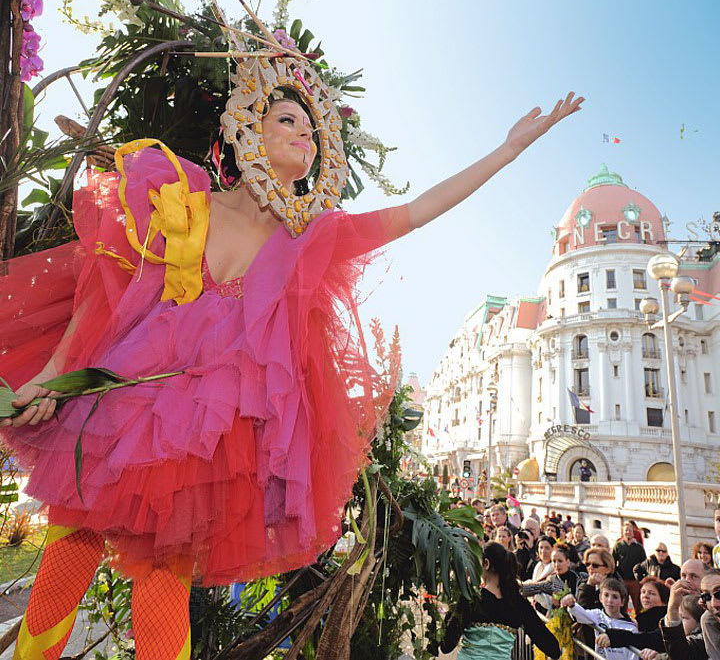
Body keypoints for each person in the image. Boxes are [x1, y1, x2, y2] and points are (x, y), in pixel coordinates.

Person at [0, 38, 586, 656]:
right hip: (122, 398)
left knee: (163, 579)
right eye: (289, 120)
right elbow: (106, 288)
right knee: (69, 551)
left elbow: (415, 212)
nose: (305, 133)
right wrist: (56, 376)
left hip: (203, 433)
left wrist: (509, 149)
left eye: (312, 128)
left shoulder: (312, 237)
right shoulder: (180, 195)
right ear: (248, 129)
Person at [439, 542, 561, 659]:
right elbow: (553, 649)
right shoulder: (518, 603)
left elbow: (446, 645)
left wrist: (458, 599)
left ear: (486, 564)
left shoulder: (471, 599)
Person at [561, 578, 638, 660]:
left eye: (615, 597)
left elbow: (633, 656)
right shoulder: (598, 615)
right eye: (606, 595)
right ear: (600, 598)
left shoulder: (630, 628)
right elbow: (580, 614)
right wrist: (571, 603)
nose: (610, 600)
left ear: (622, 602)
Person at [659, 569, 720, 659]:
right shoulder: (710, 627)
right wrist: (673, 610)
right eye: (707, 597)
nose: (713, 604)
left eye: (719, 594)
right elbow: (682, 655)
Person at [604, 577, 670, 654]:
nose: (645, 596)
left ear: (664, 600)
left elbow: (648, 640)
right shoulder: (641, 617)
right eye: (643, 592)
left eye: (652, 593)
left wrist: (616, 637)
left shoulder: (662, 617)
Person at [614, 522, 647, 612]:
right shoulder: (618, 545)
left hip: (635, 581)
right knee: (623, 604)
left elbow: (644, 563)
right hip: (622, 580)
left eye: (630, 530)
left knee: (638, 604)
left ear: (633, 532)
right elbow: (613, 561)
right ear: (623, 532)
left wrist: (642, 578)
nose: (628, 532)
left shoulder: (639, 547)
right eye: (626, 530)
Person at [525, 535, 556, 614]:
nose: (543, 551)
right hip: (536, 606)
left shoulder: (556, 569)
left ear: (553, 549)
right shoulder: (538, 566)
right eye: (541, 547)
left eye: (547, 548)